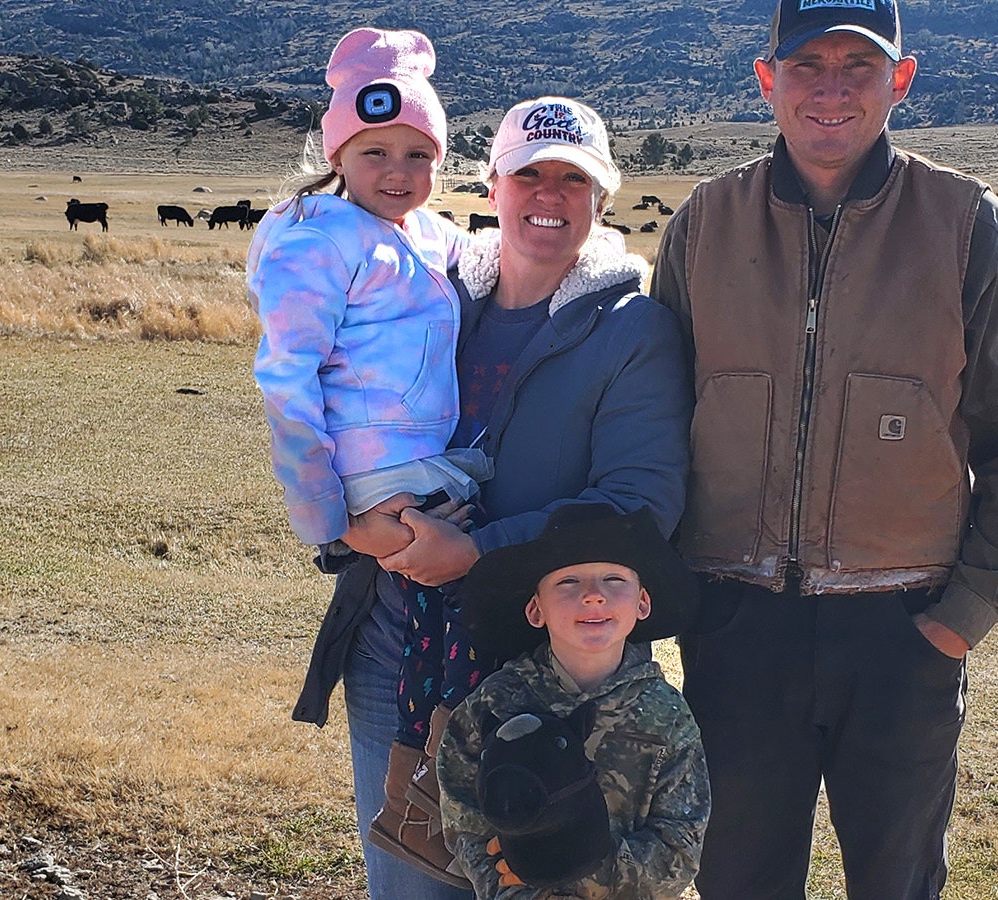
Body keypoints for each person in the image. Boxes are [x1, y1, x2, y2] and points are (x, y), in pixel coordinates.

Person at [649, 0, 998, 897]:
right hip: (737, 622)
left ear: (900, 81)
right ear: (766, 80)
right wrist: (676, 594)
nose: (830, 90)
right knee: (739, 877)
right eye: (806, 66)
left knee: (897, 879)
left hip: (902, 629)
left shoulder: (967, 225)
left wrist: (960, 620)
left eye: (859, 67)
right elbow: (654, 424)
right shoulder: (704, 224)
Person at [292, 94, 693, 899]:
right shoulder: (431, 298)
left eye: (572, 181)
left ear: (602, 199)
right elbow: (336, 411)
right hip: (395, 647)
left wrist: (476, 550)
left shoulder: (633, 331)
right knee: (410, 880)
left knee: (541, 879)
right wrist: (353, 526)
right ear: (490, 188)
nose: (548, 196)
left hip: (555, 673)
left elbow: (638, 503)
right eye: (528, 175)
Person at [246, 27, 490, 886]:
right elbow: (287, 382)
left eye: (418, 153)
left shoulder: (431, 235)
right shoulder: (318, 236)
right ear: (337, 150)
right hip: (376, 491)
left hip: (424, 480)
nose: (397, 170)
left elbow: (500, 261)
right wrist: (333, 525)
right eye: (374, 149)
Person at [437, 502, 710, 899]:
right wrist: (514, 883)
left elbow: (680, 844)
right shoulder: (494, 705)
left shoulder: (666, 717)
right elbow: (466, 819)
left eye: (614, 579)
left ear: (642, 604)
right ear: (536, 609)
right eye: (568, 582)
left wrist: (580, 873)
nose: (594, 596)